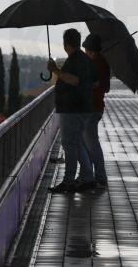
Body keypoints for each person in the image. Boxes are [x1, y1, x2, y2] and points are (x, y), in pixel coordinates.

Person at [47, 28, 99, 193]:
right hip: (83, 108)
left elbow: (74, 80)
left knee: (69, 144)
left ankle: (68, 181)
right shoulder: (84, 59)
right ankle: (88, 178)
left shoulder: (76, 59)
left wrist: (55, 70)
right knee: (76, 143)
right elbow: (95, 82)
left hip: (73, 109)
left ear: (65, 43)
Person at [81, 34, 110, 189]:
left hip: (91, 108)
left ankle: (100, 178)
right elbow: (106, 87)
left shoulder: (95, 64)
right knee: (88, 144)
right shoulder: (103, 63)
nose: (85, 53)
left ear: (90, 50)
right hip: (96, 108)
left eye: (86, 50)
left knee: (92, 145)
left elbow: (92, 85)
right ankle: (88, 176)